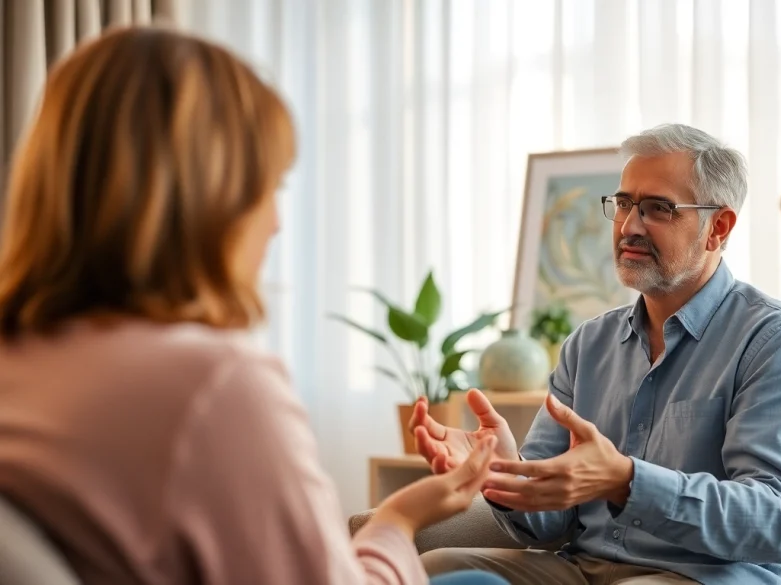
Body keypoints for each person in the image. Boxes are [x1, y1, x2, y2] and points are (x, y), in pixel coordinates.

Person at [0, 25, 508, 585]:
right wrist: (398, 518)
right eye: (268, 188)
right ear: (211, 198)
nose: (276, 222)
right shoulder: (209, 384)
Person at [410, 124, 781, 584]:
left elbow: (776, 522)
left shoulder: (778, 340)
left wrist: (625, 480)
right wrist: (502, 474)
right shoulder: (588, 345)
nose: (629, 226)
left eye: (657, 208)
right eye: (623, 204)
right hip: (588, 568)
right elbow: (548, 525)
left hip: (716, 574)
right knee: (432, 569)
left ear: (717, 228)